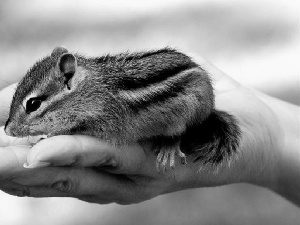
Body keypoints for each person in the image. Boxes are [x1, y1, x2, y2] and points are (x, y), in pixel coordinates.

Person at [0, 56, 299, 206]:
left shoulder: (101, 100)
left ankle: (176, 138)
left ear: (69, 80)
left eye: (35, 105)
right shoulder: (85, 94)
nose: (15, 127)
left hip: (186, 92)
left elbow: (112, 129)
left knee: (186, 104)